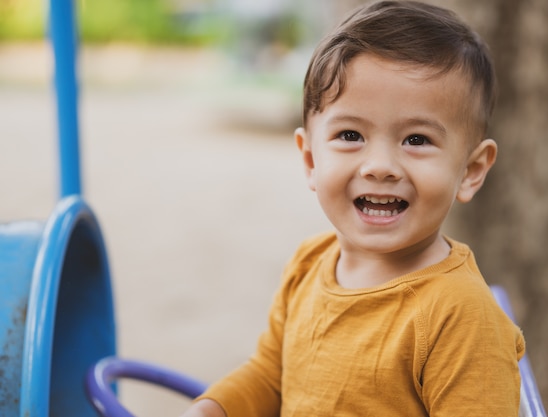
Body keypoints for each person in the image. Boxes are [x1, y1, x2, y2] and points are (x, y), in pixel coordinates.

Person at [182, 1, 525, 416]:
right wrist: (210, 410)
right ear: (310, 159)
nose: (379, 166)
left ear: (470, 171)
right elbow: (271, 375)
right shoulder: (308, 264)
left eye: (416, 140)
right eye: (350, 134)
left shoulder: (461, 316)